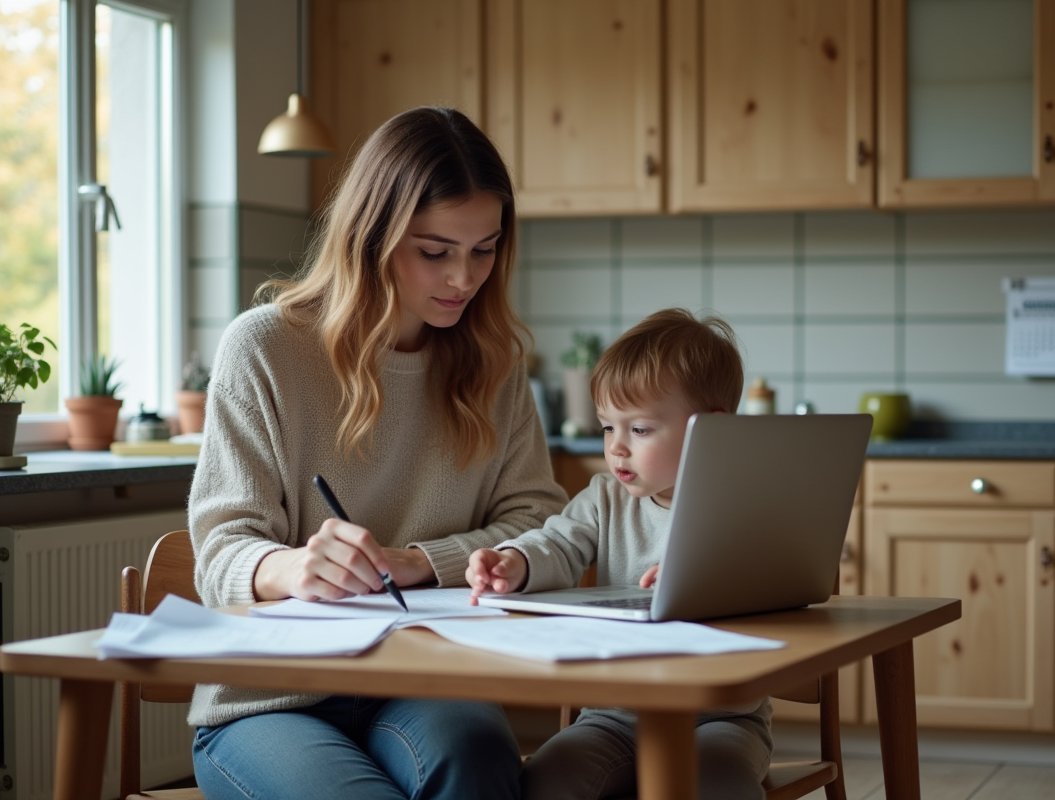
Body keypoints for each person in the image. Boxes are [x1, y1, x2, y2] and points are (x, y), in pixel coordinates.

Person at [186, 106, 568, 800]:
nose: (463, 278)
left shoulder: (495, 365)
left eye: (484, 249)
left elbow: (540, 522)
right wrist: (294, 566)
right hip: (271, 697)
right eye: (435, 251)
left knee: (481, 769)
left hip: (427, 677)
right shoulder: (265, 348)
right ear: (371, 236)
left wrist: (419, 562)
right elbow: (221, 550)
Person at [465, 308, 772, 800]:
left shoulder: (743, 504)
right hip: (613, 717)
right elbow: (558, 544)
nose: (617, 449)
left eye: (641, 430)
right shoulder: (604, 498)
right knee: (545, 781)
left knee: (718, 787)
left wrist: (705, 574)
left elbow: (774, 576)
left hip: (719, 721)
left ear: (708, 430)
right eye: (609, 427)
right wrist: (514, 562)